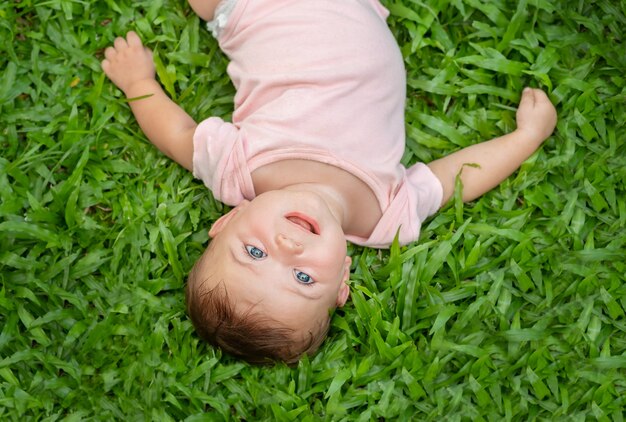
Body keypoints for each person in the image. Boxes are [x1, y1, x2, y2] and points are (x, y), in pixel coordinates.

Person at [101, 0, 557, 364]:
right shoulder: (386, 218)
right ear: (342, 281)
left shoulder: (237, 169)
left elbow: (176, 134)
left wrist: (138, 82)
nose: (288, 248)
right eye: (301, 277)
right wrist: (525, 138)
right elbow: (453, 179)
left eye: (255, 252)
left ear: (227, 223)